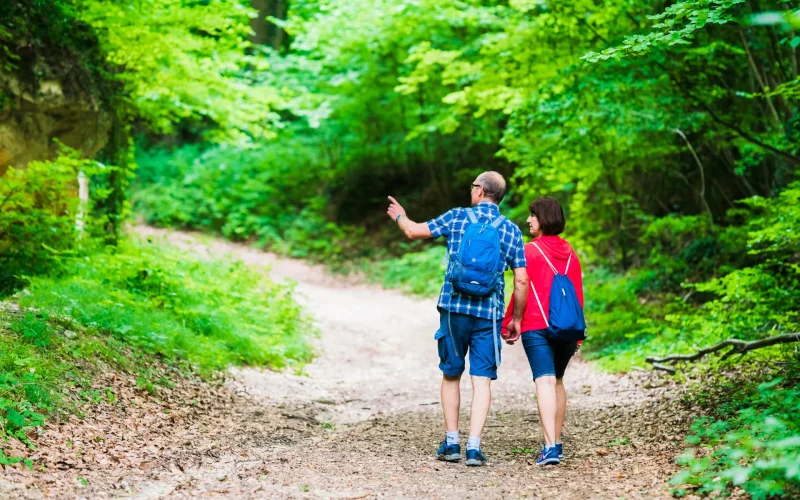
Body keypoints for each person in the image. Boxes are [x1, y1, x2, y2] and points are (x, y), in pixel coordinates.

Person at [386, 171, 529, 466]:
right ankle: (474, 447)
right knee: (482, 380)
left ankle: (452, 443)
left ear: (479, 191)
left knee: (452, 375)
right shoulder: (511, 230)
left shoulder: (458, 218)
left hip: (453, 309)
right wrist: (515, 319)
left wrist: (400, 216)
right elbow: (522, 281)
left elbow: (412, 232)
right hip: (488, 315)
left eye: (473, 186)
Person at [501, 196, 584, 466]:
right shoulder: (571, 252)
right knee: (557, 381)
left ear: (544, 218)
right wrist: (579, 331)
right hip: (568, 327)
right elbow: (577, 293)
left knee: (544, 381)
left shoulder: (530, 251)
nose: (528, 220)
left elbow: (521, 286)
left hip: (537, 326)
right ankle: (555, 441)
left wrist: (511, 321)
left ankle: (550, 449)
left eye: (532, 215)